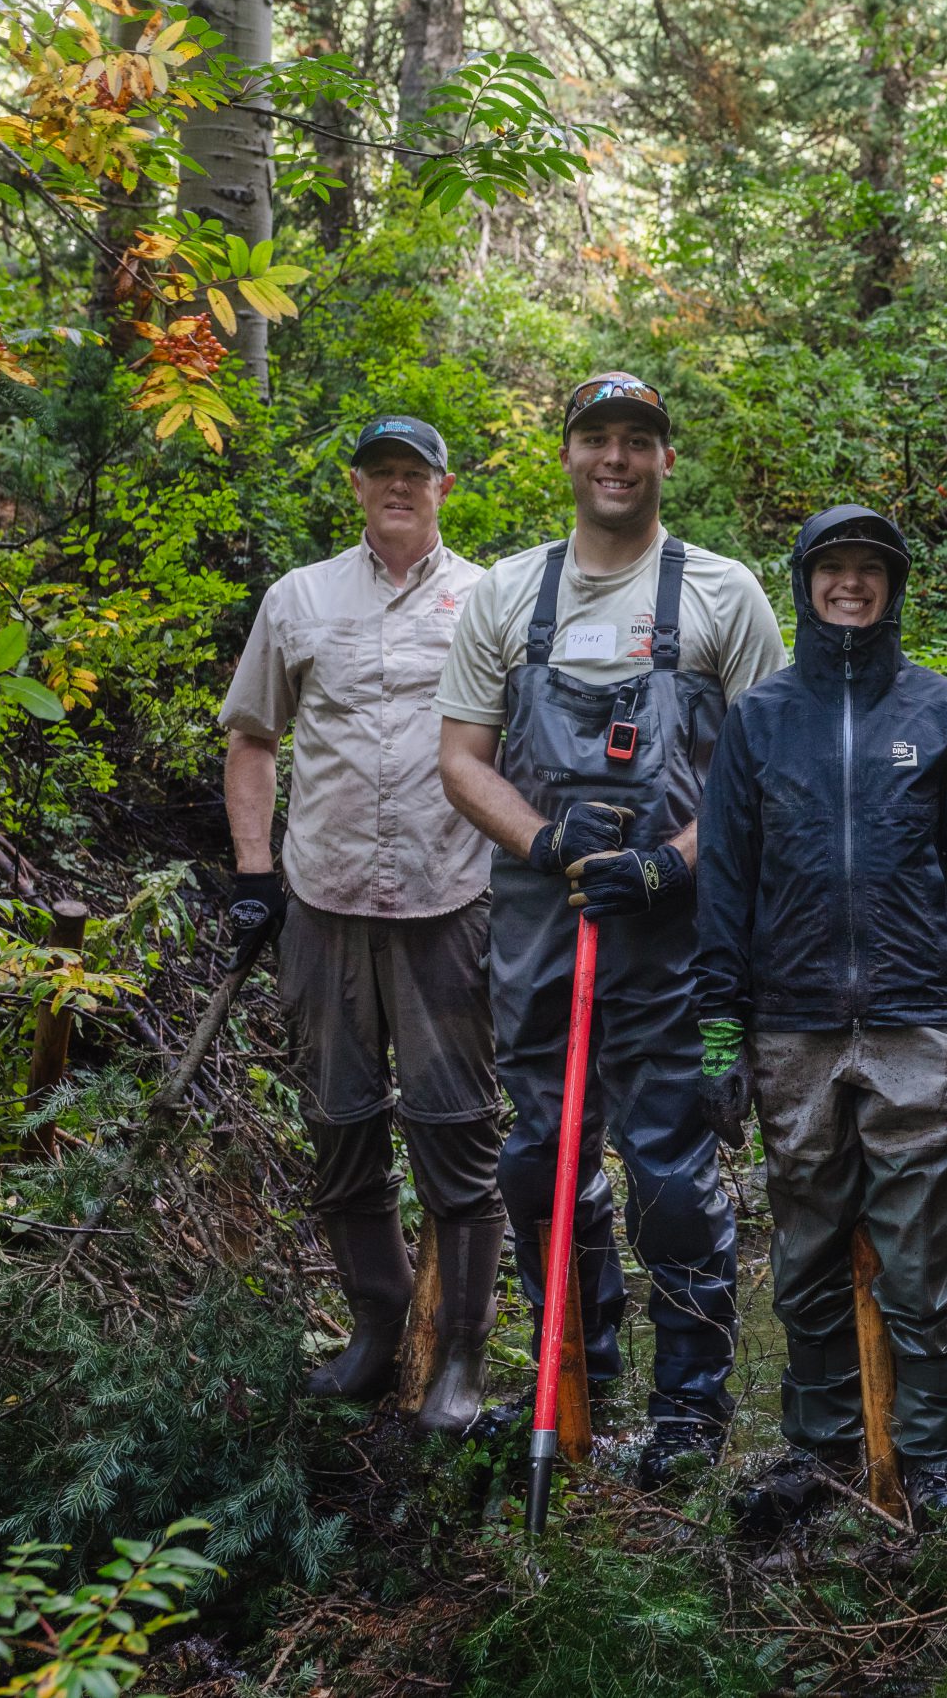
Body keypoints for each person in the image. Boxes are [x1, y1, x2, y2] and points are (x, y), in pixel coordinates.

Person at [436, 373, 785, 1486]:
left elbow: (754, 775)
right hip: (544, 928)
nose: (617, 459)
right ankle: (576, 1382)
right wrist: (545, 844)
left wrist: (663, 862)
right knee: (541, 1164)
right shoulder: (505, 594)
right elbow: (459, 760)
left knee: (674, 1173)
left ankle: (688, 1413)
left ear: (665, 460)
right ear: (569, 453)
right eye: (597, 438)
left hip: (675, 933)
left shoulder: (725, 596)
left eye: (639, 441)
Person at [691, 505, 947, 1530]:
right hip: (789, 1026)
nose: (849, 585)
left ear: (893, 587)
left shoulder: (940, 710)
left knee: (923, 1261)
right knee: (804, 1256)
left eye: (868, 570)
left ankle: (932, 1462)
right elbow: (726, 880)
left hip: (920, 1022)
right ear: (804, 582)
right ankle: (821, 1451)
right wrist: (718, 1029)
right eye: (831, 568)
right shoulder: (760, 718)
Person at [220, 415, 504, 1435]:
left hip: (449, 902)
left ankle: (462, 1359)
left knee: (457, 1137)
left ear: (444, 485)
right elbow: (254, 738)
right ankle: (377, 1333)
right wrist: (255, 873)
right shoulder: (300, 598)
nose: (397, 487)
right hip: (324, 904)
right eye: (381, 471)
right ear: (356, 485)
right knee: (340, 1127)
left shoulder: (490, 599)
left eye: (414, 474)